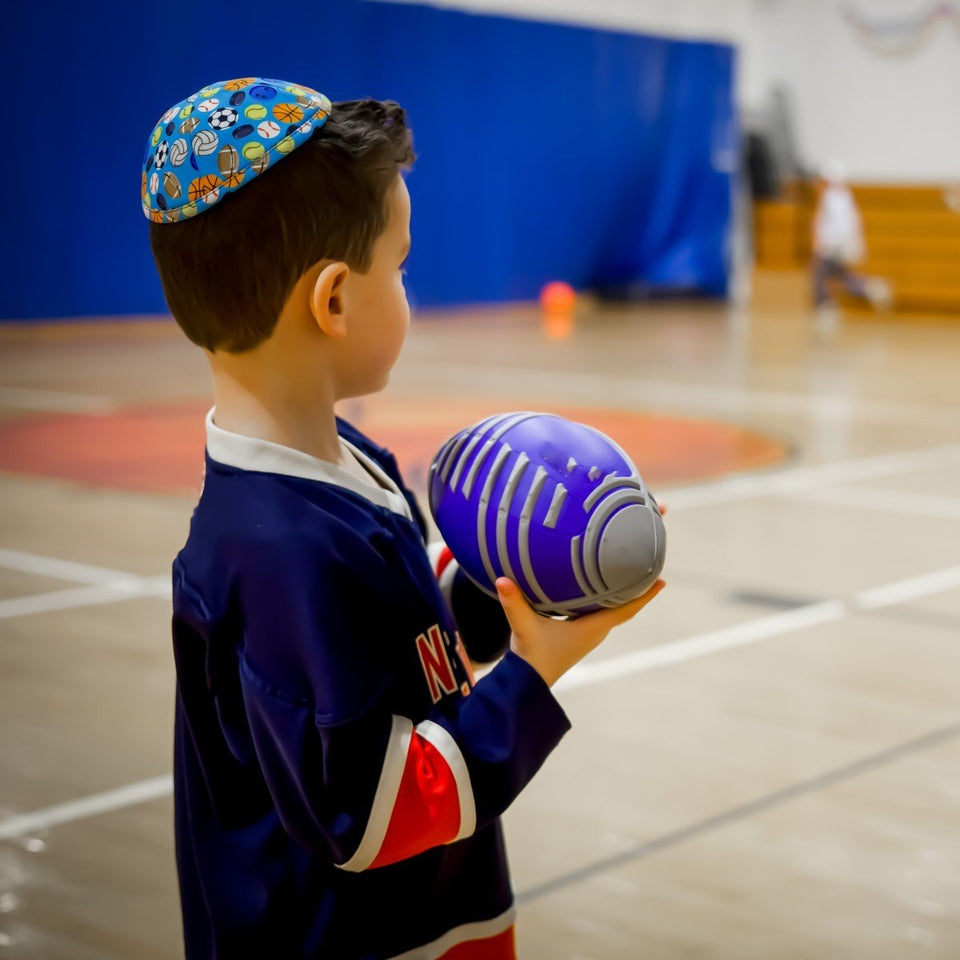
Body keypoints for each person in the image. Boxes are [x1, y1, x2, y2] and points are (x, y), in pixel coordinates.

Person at [143, 77, 665, 960]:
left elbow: (406, 643)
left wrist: (520, 584)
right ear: (335, 301)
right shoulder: (274, 556)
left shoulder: (345, 464)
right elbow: (372, 814)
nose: (408, 288)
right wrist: (535, 676)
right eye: (402, 264)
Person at [811, 160, 891, 316]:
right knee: (839, 276)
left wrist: (820, 242)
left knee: (824, 276)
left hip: (832, 247)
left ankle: (825, 304)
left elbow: (829, 224)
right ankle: (872, 288)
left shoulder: (832, 198)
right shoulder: (845, 197)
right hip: (840, 246)